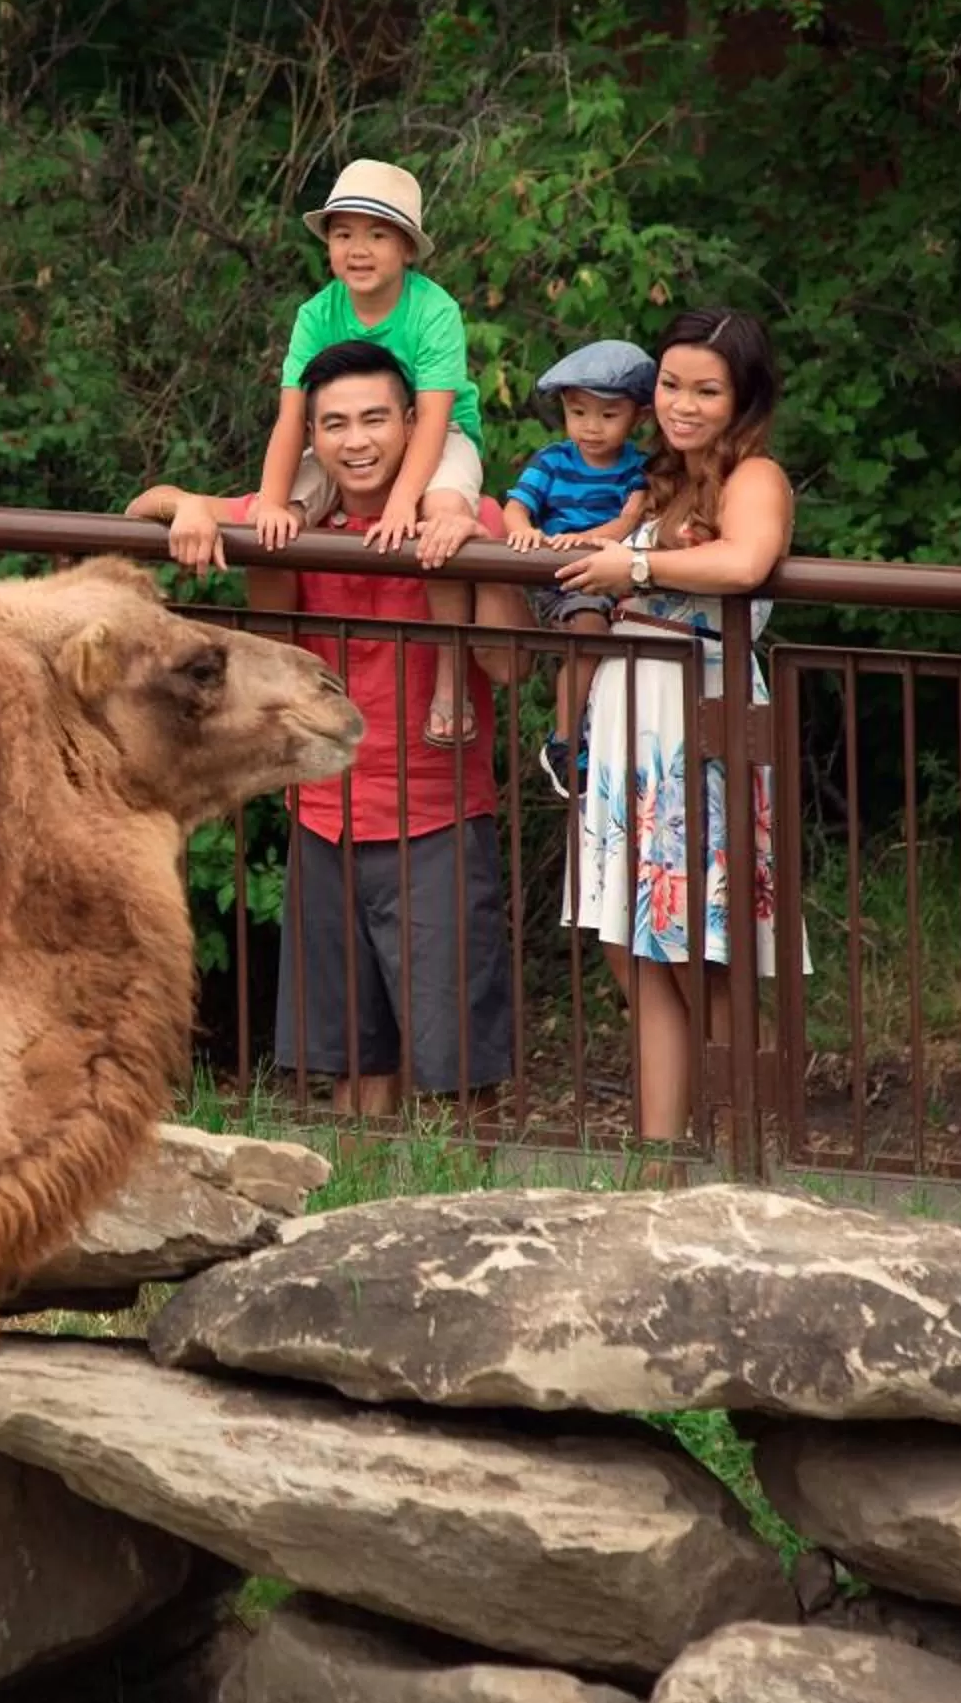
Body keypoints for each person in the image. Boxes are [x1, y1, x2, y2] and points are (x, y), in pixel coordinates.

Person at [130, 338, 515, 1115]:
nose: (356, 440)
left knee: (458, 1072)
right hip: (325, 815)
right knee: (348, 1060)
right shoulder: (295, 516)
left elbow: (509, 667)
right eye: (335, 423)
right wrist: (196, 508)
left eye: (375, 419)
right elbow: (148, 504)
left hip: (436, 816)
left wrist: (484, 559)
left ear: (413, 425)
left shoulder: (461, 514)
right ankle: (356, 1189)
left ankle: (468, 1191)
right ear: (309, 437)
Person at [546, 307, 808, 1149]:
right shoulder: (656, 477)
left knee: (704, 947)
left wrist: (634, 566)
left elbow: (744, 560)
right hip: (630, 714)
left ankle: (742, 1153)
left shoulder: (754, 476)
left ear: (744, 398)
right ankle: (658, 1164)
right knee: (634, 946)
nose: (682, 405)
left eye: (706, 391)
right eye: (669, 385)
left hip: (699, 719)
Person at [245, 159, 523, 750]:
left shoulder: (432, 309)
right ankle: (286, 691)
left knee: (441, 518)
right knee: (278, 519)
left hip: (438, 434)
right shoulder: (317, 314)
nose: (358, 249)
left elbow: (434, 417)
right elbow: (293, 418)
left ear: (407, 248)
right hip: (346, 442)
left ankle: (449, 672)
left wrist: (404, 500)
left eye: (377, 234)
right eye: (343, 234)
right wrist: (272, 501)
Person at [503, 338, 657, 799]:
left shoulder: (639, 467)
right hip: (568, 580)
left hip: (617, 576)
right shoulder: (552, 460)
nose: (591, 427)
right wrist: (523, 531)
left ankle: (609, 739)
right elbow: (516, 506)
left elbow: (629, 520)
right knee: (589, 627)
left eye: (608, 415)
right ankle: (565, 740)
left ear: (638, 417)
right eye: (578, 412)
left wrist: (590, 538)